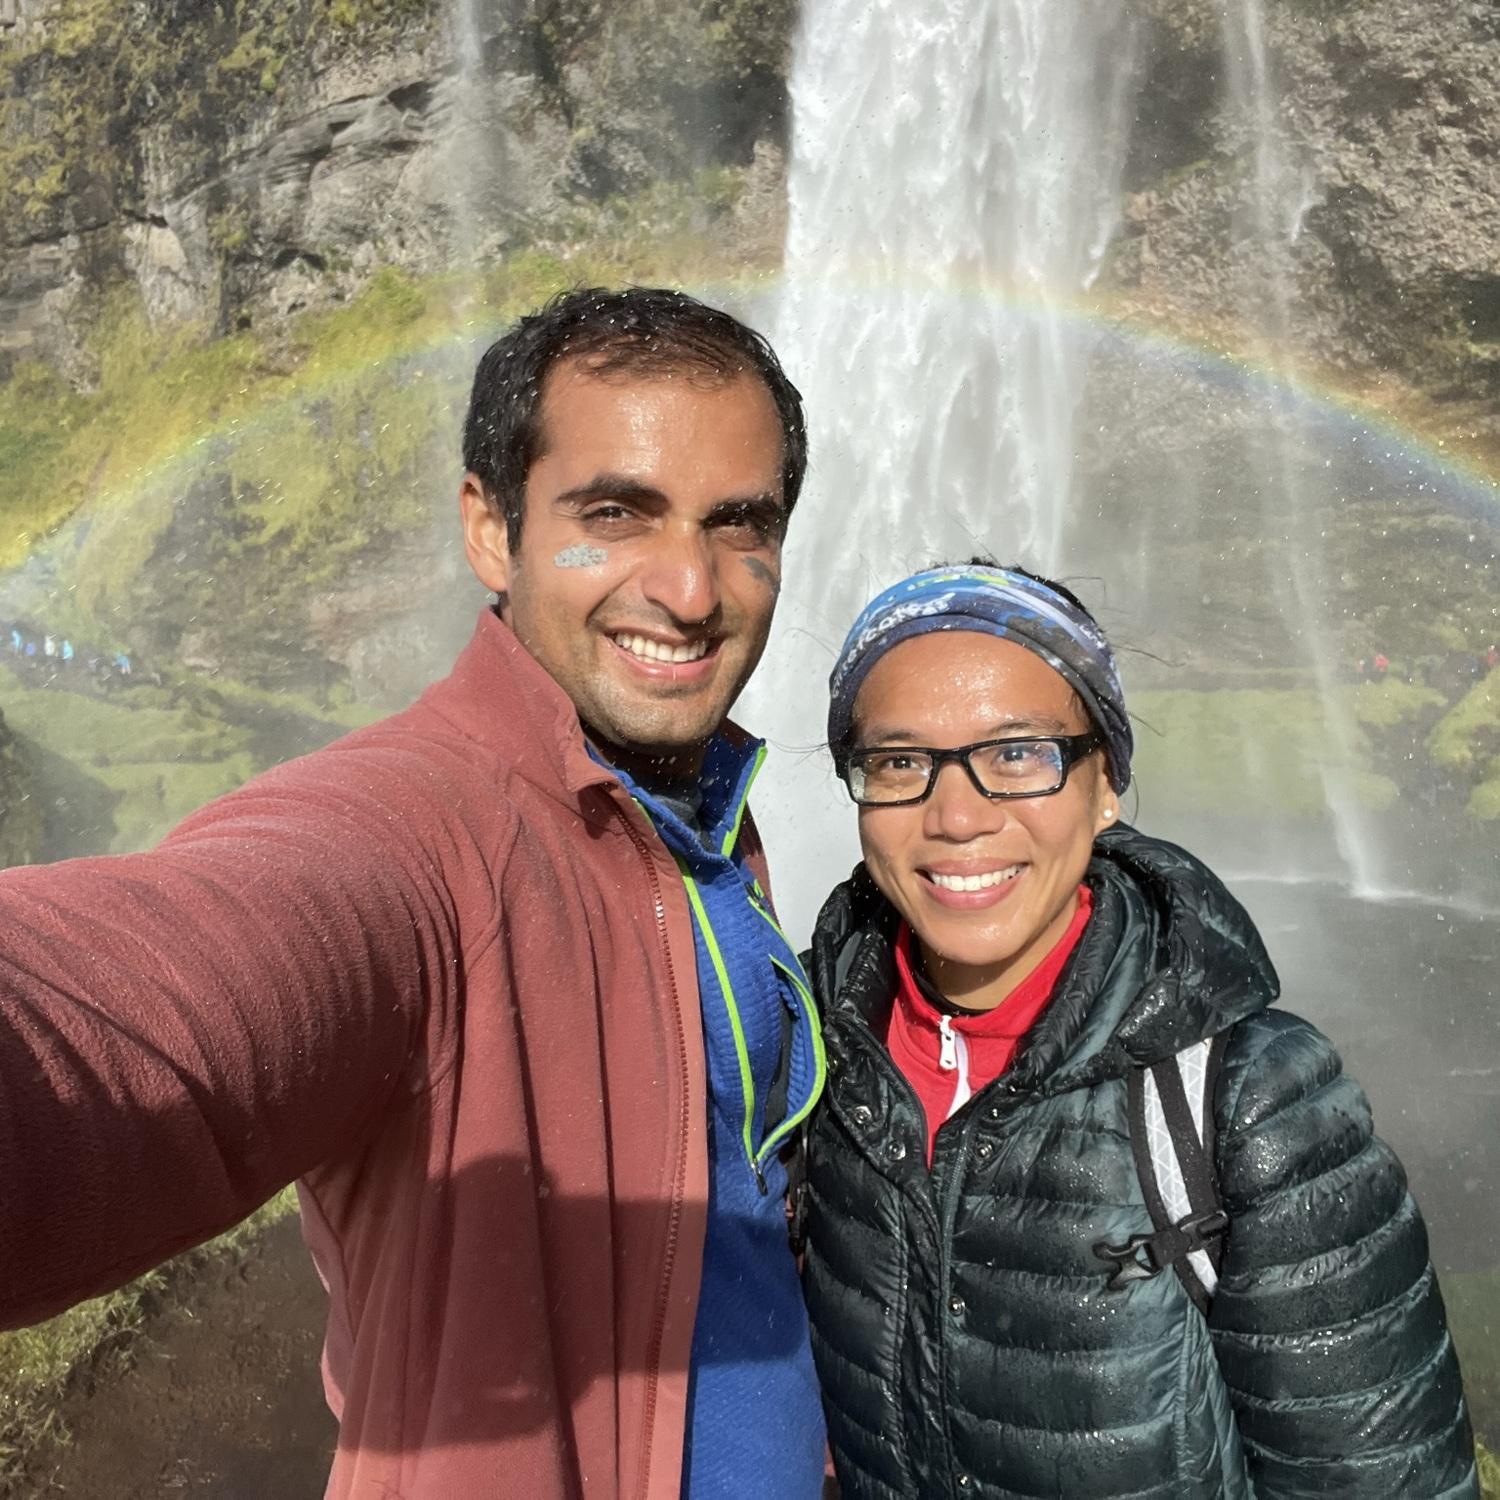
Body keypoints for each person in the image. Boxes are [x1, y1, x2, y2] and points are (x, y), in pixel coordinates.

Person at [0, 287, 828, 1500]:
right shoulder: (415, 835)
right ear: (491, 531)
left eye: (738, 526)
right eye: (617, 513)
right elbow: (153, 989)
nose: (692, 590)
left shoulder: (696, 815)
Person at [796, 562, 1478, 1499]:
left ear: (1105, 781)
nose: (956, 816)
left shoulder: (1247, 1101)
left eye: (1019, 753)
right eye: (900, 762)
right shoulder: (808, 1058)